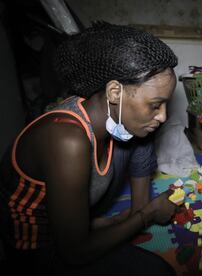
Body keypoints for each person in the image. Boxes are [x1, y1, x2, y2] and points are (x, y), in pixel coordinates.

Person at [0, 22, 179, 275]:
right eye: (155, 105)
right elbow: (74, 253)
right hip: (36, 252)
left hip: (67, 230)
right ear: (114, 91)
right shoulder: (67, 140)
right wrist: (147, 215)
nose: (163, 116)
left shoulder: (100, 115)